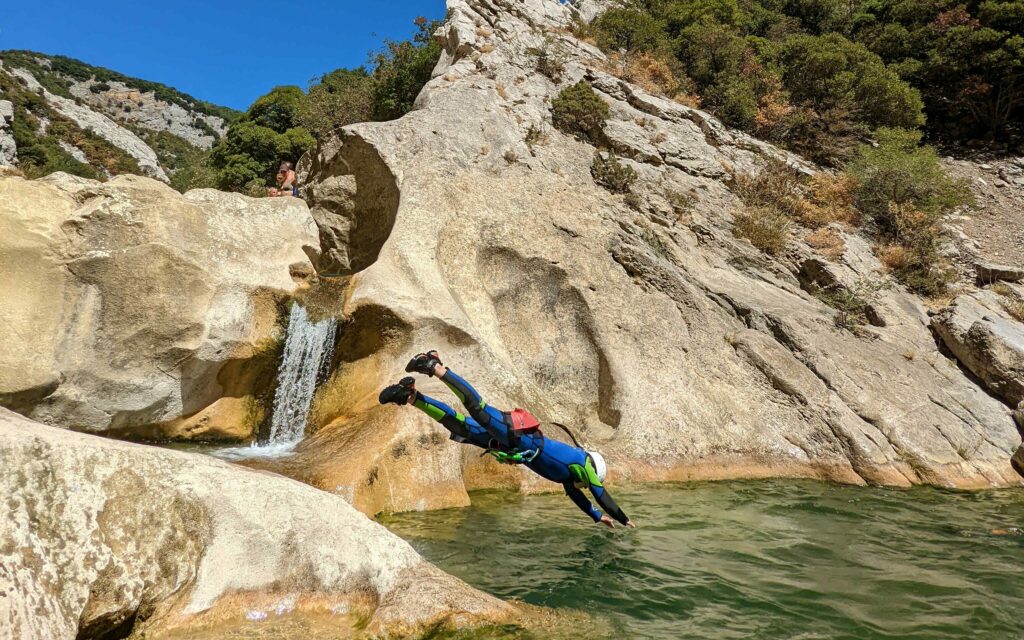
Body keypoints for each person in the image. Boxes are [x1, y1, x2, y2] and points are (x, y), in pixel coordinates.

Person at [379, 351, 635, 528]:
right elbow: (600, 495)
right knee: (477, 409)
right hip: (520, 437)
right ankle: (434, 365)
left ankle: (410, 396)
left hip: (508, 445)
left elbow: (582, 500)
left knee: (460, 426)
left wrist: (596, 517)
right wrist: (623, 518)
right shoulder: (584, 465)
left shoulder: (569, 480)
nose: (583, 488)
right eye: (587, 484)